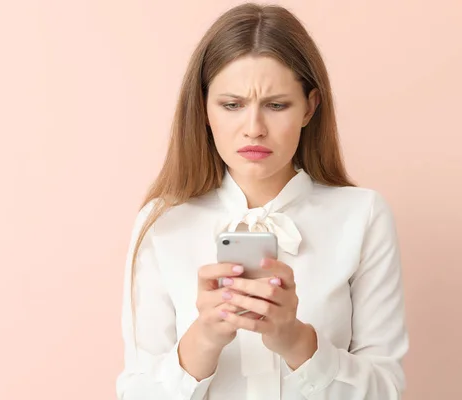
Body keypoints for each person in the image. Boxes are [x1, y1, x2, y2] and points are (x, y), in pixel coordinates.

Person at [116, 3, 408, 399]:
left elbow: (385, 391)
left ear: (310, 106)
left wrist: (295, 340)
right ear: (203, 108)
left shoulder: (363, 216)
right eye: (232, 105)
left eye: (276, 105)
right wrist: (204, 338)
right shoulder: (162, 223)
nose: (253, 129)